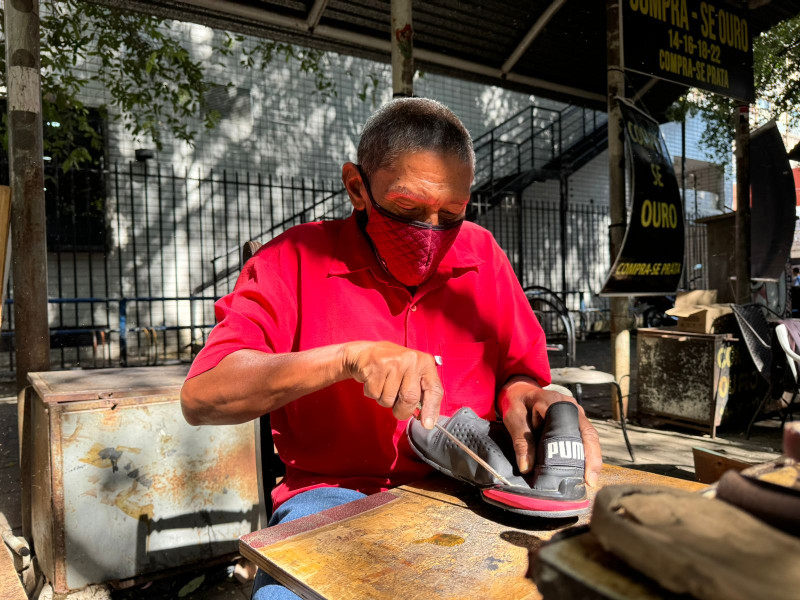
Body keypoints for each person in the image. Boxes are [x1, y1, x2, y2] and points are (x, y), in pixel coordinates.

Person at [180, 98, 602, 599]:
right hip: (334, 499)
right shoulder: (293, 260)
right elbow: (203, 396)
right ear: (358, 187)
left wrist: (529, 398)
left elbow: (520, 373)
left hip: (474, 486)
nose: (431, 231)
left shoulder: (483, 255)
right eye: (407, 208)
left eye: (452, 212)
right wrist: (348, 358)